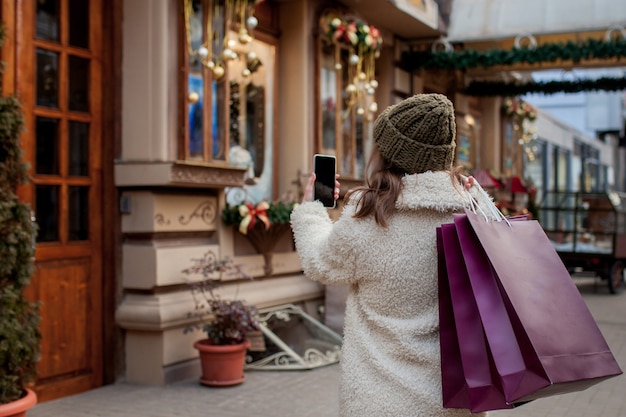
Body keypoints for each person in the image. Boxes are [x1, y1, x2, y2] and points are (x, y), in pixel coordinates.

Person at [290, 93, 491, 417]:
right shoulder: (470, 210)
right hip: (454, 400)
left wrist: (311, 210)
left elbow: (319, 262)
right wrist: (476, 197)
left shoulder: (371, 215)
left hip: (381, 401)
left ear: (389, 154)